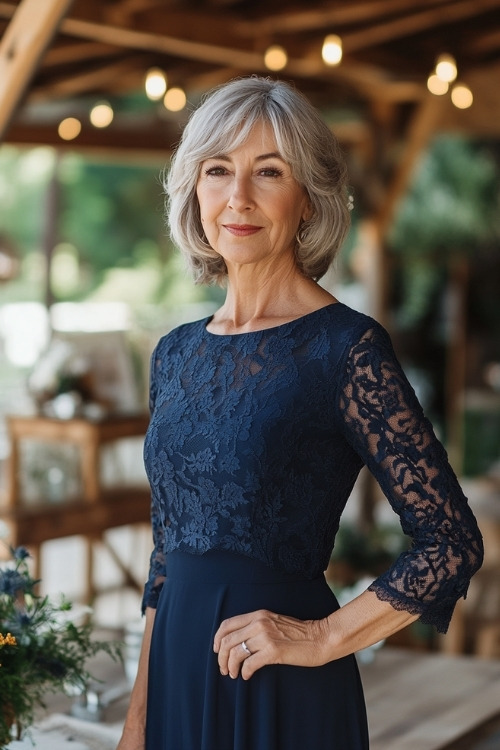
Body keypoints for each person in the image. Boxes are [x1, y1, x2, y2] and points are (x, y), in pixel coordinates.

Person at [117, 76, 483, 750]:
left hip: (281, 685)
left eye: (269, 172)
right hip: (174, 670)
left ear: (308, 200)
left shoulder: (345, 349)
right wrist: (138, 722)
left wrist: (324, 637)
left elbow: (451, 541)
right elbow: (166, 557)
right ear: (194, 191)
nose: (238, 197)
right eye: (218, 170)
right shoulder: (174, 354)